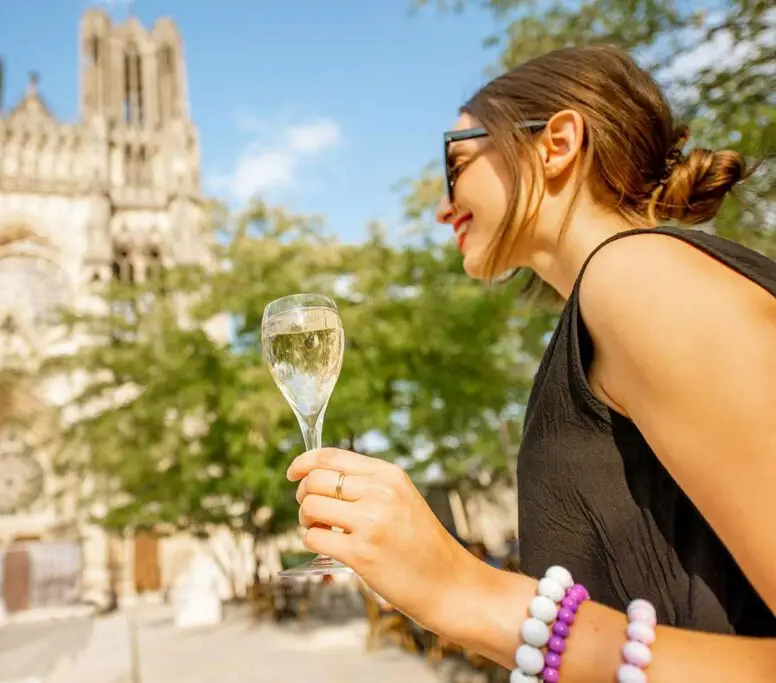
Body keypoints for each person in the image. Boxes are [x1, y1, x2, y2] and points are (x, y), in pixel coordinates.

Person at [286, 44, 776, 683]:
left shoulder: (637, 279)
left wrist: (467, 594)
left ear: (558, 142)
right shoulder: (618, 299)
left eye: (456, 161)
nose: (442, 206)